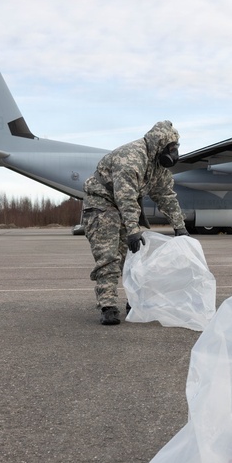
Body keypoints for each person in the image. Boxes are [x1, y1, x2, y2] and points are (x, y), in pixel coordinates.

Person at [82, 120, 188, 325]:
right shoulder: (131, 158)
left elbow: (166, 195)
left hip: (123, 205)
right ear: (161, 144)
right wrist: (133, 229)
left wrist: (180, 227)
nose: (174, 154)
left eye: (176, 149)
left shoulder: (158, 166)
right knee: (109, 255)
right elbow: (126, 197)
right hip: (102, 203)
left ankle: (134, 301)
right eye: (171, 148)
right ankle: (108, 306)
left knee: (129, 257)